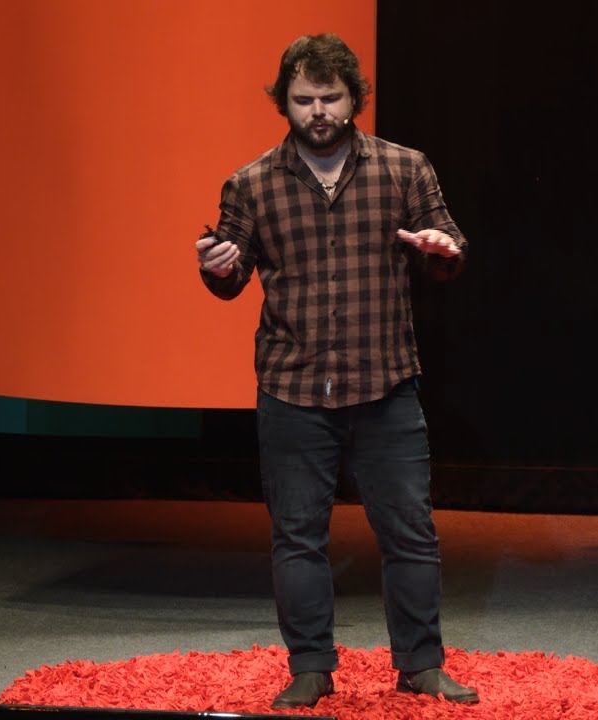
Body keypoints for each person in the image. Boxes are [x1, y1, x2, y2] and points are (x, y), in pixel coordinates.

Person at [194, 33, 477, 710]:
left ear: (355, 98)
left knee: (410, 531)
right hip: (292, 388)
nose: (318, 111)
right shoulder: (252, 183)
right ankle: (311, 668)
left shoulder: (405, 169)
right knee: (297, 536)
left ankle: (421, 664)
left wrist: (443, 249)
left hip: (385, 384)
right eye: (303, 99)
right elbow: (230, 277)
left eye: (331, 97)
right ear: (283, 104)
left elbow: (446, 248)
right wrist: (218, 271)